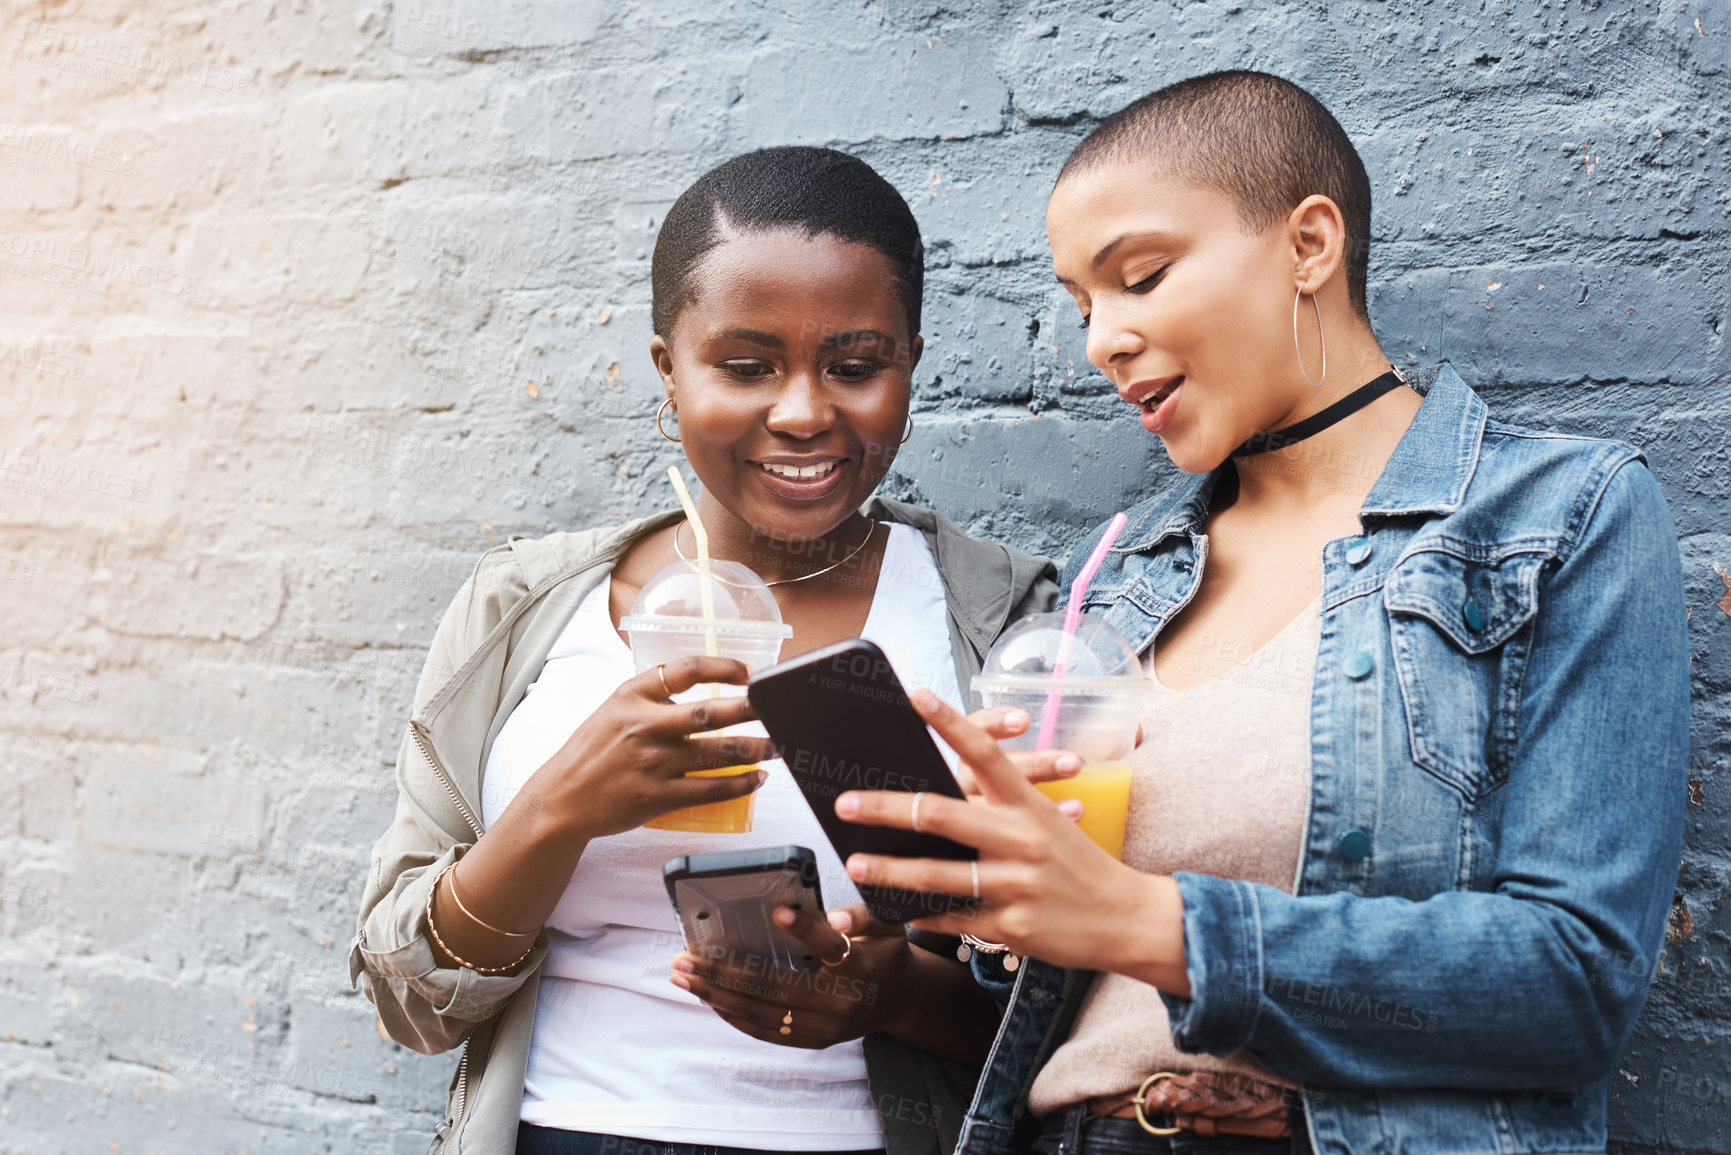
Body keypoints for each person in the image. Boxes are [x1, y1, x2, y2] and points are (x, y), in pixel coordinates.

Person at [828, 71, 1690, 1155]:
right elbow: (1049, 989)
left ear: (1310, 245)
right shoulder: (1117, 570)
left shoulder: (1564, 518)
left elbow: (1575, 987)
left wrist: (1156, 924)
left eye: (1140, 277)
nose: (1101, 339)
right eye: (1085, 304)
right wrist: (969, 907)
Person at [350, 145, 1063, 1155]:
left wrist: (898, 996)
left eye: (857, 366)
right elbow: (404, 999)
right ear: (668, 371)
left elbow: (1083, 1020)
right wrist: (558, 810)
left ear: (909, 362)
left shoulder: (1004, 620)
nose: (807, 411)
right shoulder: (526, 610)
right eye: (745, 365)